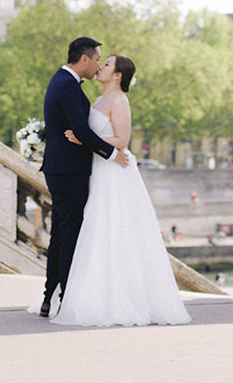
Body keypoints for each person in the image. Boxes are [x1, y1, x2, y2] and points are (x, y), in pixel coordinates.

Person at [56, 53, 191, 327]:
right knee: (97, 228)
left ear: (117, 75)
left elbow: (122, 139)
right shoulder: (99, 100)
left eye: (106, 64)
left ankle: (120, 298)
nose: (100, 66)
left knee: (114, 227)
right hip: (100, 168)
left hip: (115, 171)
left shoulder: (119, 101)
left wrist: (84, 140)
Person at [35, 36, 130, 319]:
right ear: (85, 59)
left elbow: (81, 132)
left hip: (65, 169)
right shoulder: (67, 85)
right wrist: (113, 154)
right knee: (70, 234)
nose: (99, 64)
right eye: (98, 59)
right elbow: (81, 131)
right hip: (69, 171)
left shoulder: (64, 83)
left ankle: (50, 296)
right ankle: (66, 297)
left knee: (61, 236)